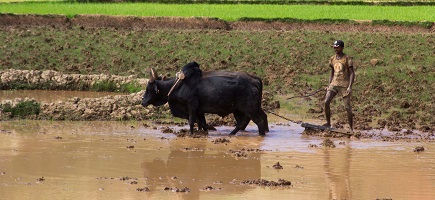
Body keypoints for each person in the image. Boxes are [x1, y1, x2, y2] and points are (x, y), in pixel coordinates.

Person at [324, 40, 355, 132]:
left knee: (347, 107)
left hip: (344, 85)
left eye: (337, 47)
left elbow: (352, 73)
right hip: (334, 84)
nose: (335, 49)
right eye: (334, 47)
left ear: (342, 48)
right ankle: (328, 123)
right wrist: (329, 85)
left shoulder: (347, 58)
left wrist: (350, 86)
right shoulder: (332, 59)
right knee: (326, 102)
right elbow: (332, 73)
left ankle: (351, 128)